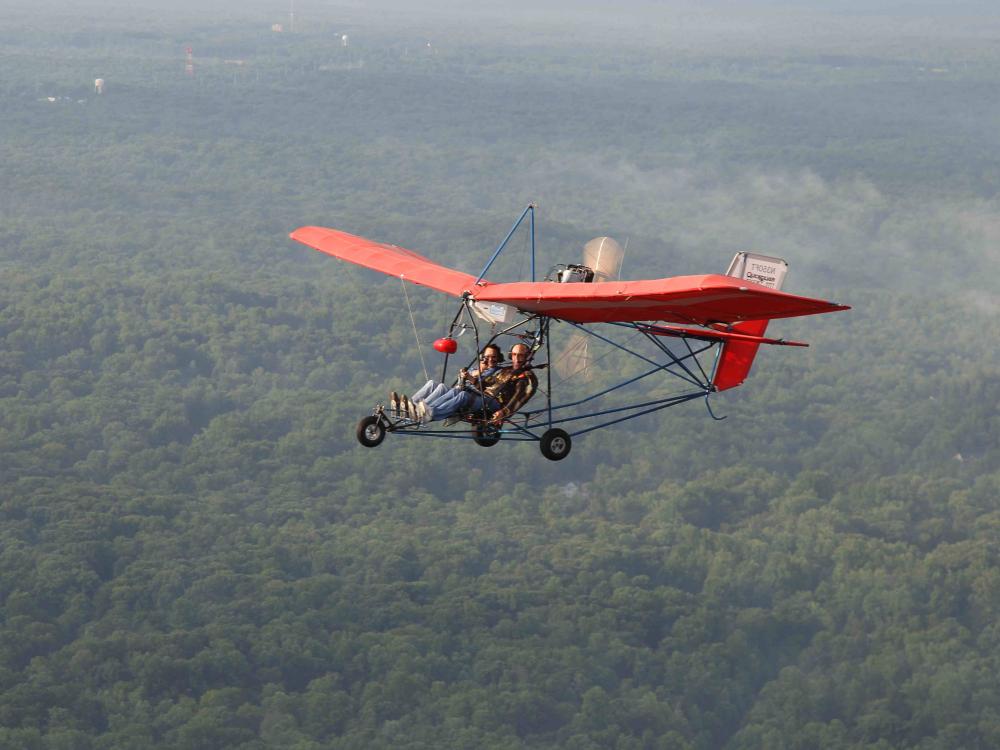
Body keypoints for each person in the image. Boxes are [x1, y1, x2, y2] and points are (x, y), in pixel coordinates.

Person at [416, 342, 537, 425]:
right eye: (514, 355)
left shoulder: (527, 377)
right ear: (511, 355)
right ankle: (421, 408)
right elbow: (486, 384)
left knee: (463, 396)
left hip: (496, 404)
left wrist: (504, 412)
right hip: (484, 396)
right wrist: (471, 378)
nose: (517, 358)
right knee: (455, 391)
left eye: (521, 355)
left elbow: (519, 399)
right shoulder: (506, 370)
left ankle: (431, 413)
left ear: (527, 357)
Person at [390, 344, 503, 419]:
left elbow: (489, 388)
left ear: (498, 358)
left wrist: (472, 377)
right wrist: (467, 375)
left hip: (483, 399)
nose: (490, 359)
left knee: (460, 393)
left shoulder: (498, 372)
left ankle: (427, 411)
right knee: (435, 384)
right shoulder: (476, 369)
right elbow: (461, 382)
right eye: (487, 357)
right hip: (466, 391)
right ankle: (410, 406)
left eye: (494, 357)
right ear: (482, 358)